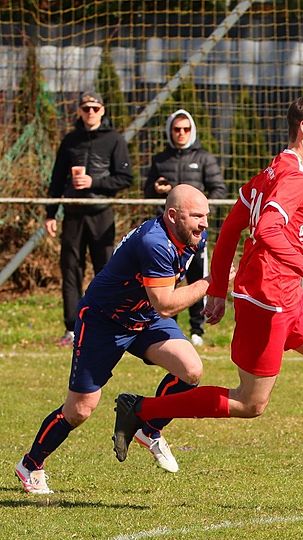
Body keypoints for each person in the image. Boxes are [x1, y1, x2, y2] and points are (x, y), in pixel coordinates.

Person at [111, 93, 303, 510]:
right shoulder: (294, 177)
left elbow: (232, 226)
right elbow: (268, 229)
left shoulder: (276, 168)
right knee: (250, 403)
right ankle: (142, 409)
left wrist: (218, 290)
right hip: (267, 301)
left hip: (286, 296)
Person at [15, 185, 215, 494]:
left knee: (191, 370)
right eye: (197, 216)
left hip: (144, 316)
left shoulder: (191, 234)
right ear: (173, 215)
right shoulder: (154, 242)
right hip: (104, 321)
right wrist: (210, 284)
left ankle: (149, 428)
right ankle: (30, 464)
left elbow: (176, 290)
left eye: (207, 215)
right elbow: (166, 304)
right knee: (80, 410)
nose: (204, 223)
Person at [45, 90, 134, 347]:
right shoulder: (70, 140)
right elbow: (57, 179)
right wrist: (50, 213)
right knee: (70, 269)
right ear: (79, 111)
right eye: (86, 109)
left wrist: (94, 182)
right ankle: (72, 328)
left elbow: (125, 178)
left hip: (101, 212)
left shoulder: (114, 139)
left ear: (103, 110)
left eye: (95, 108)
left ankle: (107, 324)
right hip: (73, 212)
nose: (90, 113)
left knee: (106, 270)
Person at [145, 109, 227, 347]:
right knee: (168, 280)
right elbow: (146, 190)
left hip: (194, 234)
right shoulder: (160, 159)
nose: (181, 133)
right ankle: (168, 326)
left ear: (192, 131)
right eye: (176, 129)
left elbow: (219, 189)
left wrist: (198, 212)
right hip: (166, 234)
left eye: (186, 129)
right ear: (170, 131)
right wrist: (157, 189)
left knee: (196, 278)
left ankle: (197, 329)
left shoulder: (204, 158)